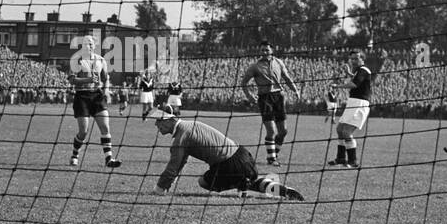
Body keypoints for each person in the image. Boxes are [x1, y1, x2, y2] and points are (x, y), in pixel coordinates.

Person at [153, 106, 303, 200]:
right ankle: (283, 190)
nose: (156, 125)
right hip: (244, 155)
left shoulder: (180, 137)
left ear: (167, 120)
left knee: (203, 181)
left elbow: (173, 167)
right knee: (249, 179)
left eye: (158, 121)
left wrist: (160, 189)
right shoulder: (190, 125)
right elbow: (181, 162)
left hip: (229, 165)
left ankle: (242, 183)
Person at [240, 42, 301, 167]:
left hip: (279, 97)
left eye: (266, 50)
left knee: (283, 131)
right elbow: (243, 83)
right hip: (264, 99)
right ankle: (272, 158)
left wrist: (295, 90)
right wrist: (250, 96)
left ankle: (274, 153)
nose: (264, 52)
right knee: (271, 130)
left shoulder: (279, 62)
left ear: (272, 50)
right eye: (262, 50)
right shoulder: (255, 66)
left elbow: (287, 77)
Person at [68, 36, 122, 168]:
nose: (89, 46)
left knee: (105, 127)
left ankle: (109, 159)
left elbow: (105, 78)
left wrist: (106, 89)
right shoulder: (76, 60)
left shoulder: (101, 60)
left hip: (97, 96)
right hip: (82, 96)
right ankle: (75, 155)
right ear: (82, 46)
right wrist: (88, 80)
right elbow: (71, 79)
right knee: (83, 131)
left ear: (94, 46)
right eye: (86, 44)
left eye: (91, 44)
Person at [331, 51, 373, 168]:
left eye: (355, 59)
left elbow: (355, 84)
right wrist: (349, 73)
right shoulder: (359, 70)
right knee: (340, 129)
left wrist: (338, 86)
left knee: (346, 132)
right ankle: (340, 158)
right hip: (353, 102)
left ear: (362, 59)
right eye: (352, 59)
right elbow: (356, 79)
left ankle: (353, 161)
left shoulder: (364, 70)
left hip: (360, 103)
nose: (353, 61)